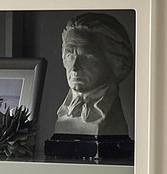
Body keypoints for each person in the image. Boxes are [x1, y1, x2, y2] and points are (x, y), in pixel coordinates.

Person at [52, 12, 134, 147]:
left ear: (115, 61)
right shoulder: (64, 112)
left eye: (86, 57)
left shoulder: (111, 119)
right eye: (69, 56)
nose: (75, 68)